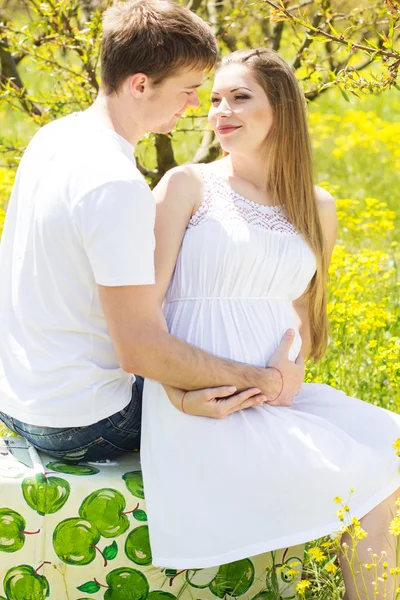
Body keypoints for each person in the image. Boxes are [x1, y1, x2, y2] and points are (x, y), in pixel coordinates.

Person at [140, 48, 400, 599]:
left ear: (281, 108)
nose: (219, 112)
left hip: (280, 398)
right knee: (369, 481)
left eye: (239, 97)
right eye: (213, 99)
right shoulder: (186, 186)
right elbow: (144, 313)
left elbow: (303, 313)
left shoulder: (315, 205)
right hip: (205, 408)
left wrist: (292, 372)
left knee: (394, 448)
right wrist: (179, 393)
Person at [0, 1, 303, 462]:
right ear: (140, 84)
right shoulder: (115, 184)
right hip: (86, 422)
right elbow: (140, 352)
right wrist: (263, 380)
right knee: (278, 428)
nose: (198, 104)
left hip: (17, 400)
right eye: (189, 89)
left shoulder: (54, 137)